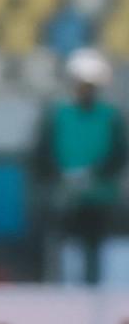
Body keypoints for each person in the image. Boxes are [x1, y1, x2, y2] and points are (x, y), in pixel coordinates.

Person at [31, 49, 127, 286]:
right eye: (82, 84)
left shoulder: (110, 116)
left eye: (90, 85)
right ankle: (62, 291)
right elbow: (42, 153)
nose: (86, 90)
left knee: (96, 249)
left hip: (99, 196)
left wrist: (94, 174)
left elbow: (119, 153)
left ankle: (94, 292)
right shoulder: (57, 115)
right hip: (64, 195)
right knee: (62, 248)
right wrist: (60, 177)